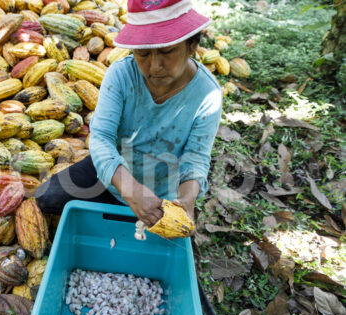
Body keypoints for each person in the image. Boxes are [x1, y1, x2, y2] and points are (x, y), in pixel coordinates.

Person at [35, 0, 222, 230]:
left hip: (162, 188)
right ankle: (118, 208)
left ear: (192, 44)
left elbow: (195, 157)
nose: (154, 67)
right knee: (47, 196)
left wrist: (186, 200)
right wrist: (131, 190)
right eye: (143, 54)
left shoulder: (207, 93)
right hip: (115, 171)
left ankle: (124, 213)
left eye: (167, 52)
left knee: (159, 246)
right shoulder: (121, 75)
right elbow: (101, 138)